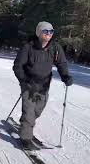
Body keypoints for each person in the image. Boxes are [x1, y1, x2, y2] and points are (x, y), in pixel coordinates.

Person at [12, 21, 73, 150]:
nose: (49, 34)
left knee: (38, 110)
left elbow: (61, 63)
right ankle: (25, 137)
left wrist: (65, 76)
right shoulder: (28, 47)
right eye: (45, 31)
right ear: (38, 33)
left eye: (51, 31)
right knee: (29, 111)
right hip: (28, 83)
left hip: (44, 85)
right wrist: (24, 80)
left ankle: (26, 126)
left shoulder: (55, 48)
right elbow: (18, 66)